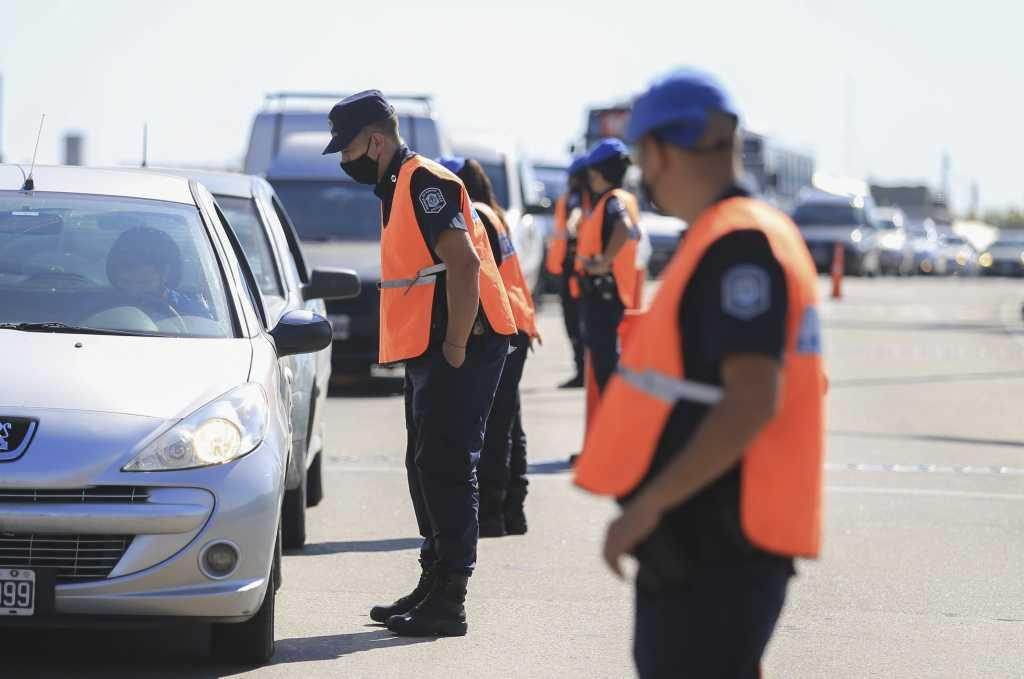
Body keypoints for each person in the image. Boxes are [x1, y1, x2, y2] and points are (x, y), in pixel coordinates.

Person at [574, 69, 826, 678]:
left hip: (714, 545)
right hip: (712, 541)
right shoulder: (748, 233)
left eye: (642, 157)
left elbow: (750, 400)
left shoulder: (739, 245)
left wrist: (646, 508)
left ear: (659, 152)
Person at [322, 91, 516, 637]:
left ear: (375, 140)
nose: (343, 160)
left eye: (348, 147)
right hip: (431, 347)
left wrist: (455, 347)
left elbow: (464, 262)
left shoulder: (425, 182)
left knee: (449, 466)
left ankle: (450, 599)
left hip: (463, 342)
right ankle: (433, 579)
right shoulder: (396, 185)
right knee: (424, 463)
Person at [440, 155, 540, 537]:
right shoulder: (492, 212)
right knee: (509, 422)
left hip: (504, 329)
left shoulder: (475, 216)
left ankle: (494, 514)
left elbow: (478, 280)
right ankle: (513, 511)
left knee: (495, 425)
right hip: (517, 325)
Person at [574, 138, 643, 394]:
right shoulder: (627, 198)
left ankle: (616, 418)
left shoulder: (612, 201)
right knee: (608, 359)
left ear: (600, 172)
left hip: (603, 291)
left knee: (606, 365)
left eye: (592, 172)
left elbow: (623, 227)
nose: (590, 178)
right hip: (615, 290)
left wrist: (604, 262)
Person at [544, 156, 591, 388]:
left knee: (575, 321)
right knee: (577, 321)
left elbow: (575, 217)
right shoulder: (585, 196)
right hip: (573, 267)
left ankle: (583, 370)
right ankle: (583, 370)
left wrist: (574, 224)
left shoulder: (578, 197)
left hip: (575, 269)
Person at [106, 226, 212, 321]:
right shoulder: (99, 305)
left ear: (167, 274)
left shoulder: (190, 311)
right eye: (127, 282)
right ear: (113, 271)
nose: (134, 291)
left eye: (143, 283)